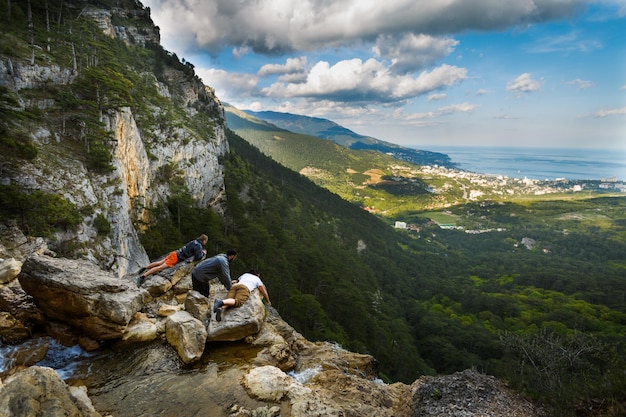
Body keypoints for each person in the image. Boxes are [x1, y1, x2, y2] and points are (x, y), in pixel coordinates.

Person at [137, 234, 208, 287]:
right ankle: (142, 277)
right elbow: (198, 257)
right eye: (206, 241)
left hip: (175, 253)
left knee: (160, 262)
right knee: (160, 267)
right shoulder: (198, 245)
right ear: (204, 240)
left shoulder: (194, 241)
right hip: (176, 258)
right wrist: (203, 253)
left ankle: (145, 268)